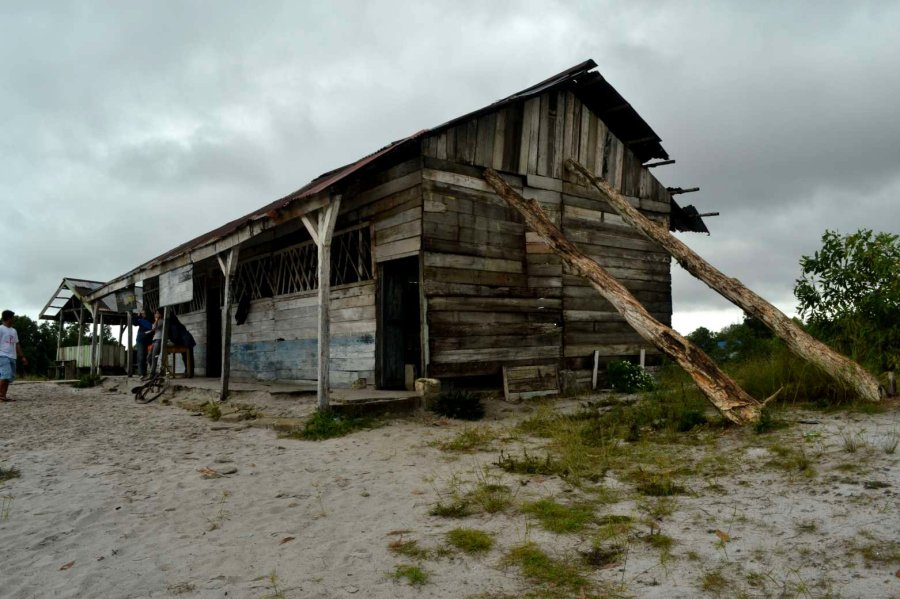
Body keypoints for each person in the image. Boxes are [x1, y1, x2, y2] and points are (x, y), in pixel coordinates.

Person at [0, 310, 28, 402]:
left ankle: (3, 396)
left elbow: (17, 344)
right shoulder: (0, 329)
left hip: (13, 356)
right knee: (5, 375)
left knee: (9, 377)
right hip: (2, 355)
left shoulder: (14, 330)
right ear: (8, 318)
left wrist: (22, 356)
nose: (14, 319)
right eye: (13, 317)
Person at [167, 312, 196, 378]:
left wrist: (173, 342)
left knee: (187, 357)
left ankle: (189, 373)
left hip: (186, 341)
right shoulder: (176, 323)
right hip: (186, 340)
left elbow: (175, 336)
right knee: (187, 357)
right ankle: (189, 373)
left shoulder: (173, 325)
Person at [146, 308, 164, 379]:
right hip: (154, 341)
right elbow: (153, 327)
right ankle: (154, 372)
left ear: (160, 314)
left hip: (158, 340)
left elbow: (154, 327)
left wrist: (156, 319)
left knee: (154, 358)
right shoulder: (157, 321)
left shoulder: (162, 321)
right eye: (155, 313)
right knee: (149, 357)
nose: (155, 314)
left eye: (157, 313)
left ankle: (152, 374)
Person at [134, 310, 153, 377]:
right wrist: (138, 315)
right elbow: (134, 323)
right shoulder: (140, 320)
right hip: (141, 340)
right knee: (141, 357)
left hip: (150, 341)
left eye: (144, 313)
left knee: (150, 357)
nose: (143, 315)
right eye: (142, 313)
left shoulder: (151, 320)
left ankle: (152, 373)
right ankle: (142, 374)